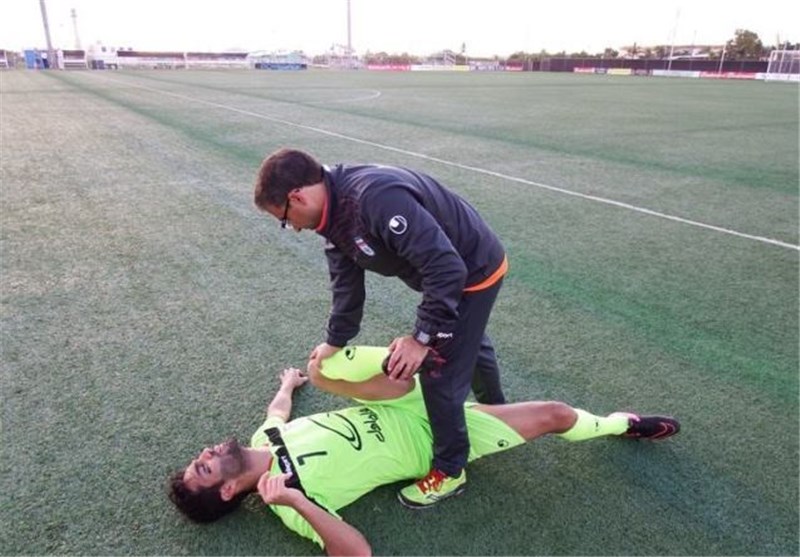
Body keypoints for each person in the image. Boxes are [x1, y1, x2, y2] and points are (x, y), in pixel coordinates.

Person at [168, 346, 680, 556]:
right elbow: (357, 552)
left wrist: (289, 384)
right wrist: (295, 501)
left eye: (199, 458)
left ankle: (424, 347)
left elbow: (277, 411)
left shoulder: (264, 438)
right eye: (204, 467)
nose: (206, 452)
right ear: (228, 490)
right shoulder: (289, 501)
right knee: (555, 414)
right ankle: (622, 423)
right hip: (435, 440)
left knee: (326, 364)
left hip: (401, 402)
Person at [253, 148, 510, 506]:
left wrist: (421, 337)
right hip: (447, 274)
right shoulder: (332, 215)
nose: (293, 227)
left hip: (471, 272)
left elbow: (446, 268)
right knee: (468, 340)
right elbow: (346, 285)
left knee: (439, 367)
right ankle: (499, 410)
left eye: (284, 219)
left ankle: (450, 470)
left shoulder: (373, 198)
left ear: (297, 197)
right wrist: (334, 341)